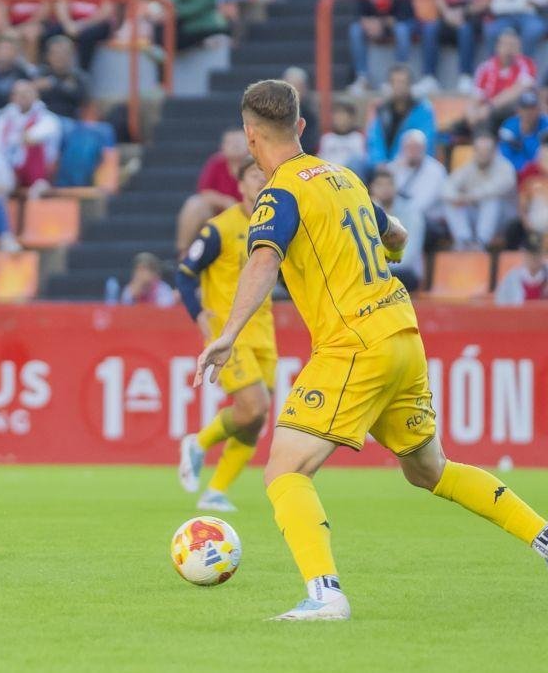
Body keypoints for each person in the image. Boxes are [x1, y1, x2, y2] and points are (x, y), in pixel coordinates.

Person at [195, 79, 548, 621]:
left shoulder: (280, 192)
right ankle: (541, 536)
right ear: (303, 128)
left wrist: (227, 334)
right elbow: (400, 234)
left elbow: (263, 260)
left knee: (284, 471)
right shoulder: (344, 177)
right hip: (403, 335)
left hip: (354, 342)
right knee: (430, 470)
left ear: (249, 137)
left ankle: (324, 593)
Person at [176, 160, 272, 511]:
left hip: (264, 331)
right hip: (229, 335)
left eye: (267, 177)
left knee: (255, 419)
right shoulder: (219, 229)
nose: (261, 182)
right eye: (254, 176)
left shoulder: (275, 229)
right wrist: (198, 313)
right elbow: (186, 273)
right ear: (240, 184)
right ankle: (198, 443)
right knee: (255, 406)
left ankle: (215, 491)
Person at [176, 128, 248, 253]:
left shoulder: (255, 165)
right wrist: (226, 202)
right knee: (194, 204)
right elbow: (204, 192)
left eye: (239, 141)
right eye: (231, 142)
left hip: (249, 217)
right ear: (222, 146)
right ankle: (183, 254)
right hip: (219, 217)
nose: (235, 145)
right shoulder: (216, 163)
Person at [442, 133, 517, 250]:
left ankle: (481, 242)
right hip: (477, 217)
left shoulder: (505, 167)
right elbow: (446, 188)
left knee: (491, 200)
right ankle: (464, 241)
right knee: (451, 202)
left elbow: (494, 189)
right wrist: (457, 197)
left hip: (503, 220)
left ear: (494, 151)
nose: (483, 154)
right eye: (479, 150)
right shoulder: (469, 167)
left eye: (487, 150)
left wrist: (467, 197)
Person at [0, 79, 62, 192]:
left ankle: (38, 187)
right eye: (18, 93)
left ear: (36, 95)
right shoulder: (0, 121)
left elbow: (31, 138)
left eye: (27, 92)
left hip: (38, 170)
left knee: (33, 146)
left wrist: (14, 138)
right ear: (12, 97)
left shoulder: (49, 119)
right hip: (9, 169)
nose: (23, 96)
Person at [365, 65, 436, 167]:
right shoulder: (382, 109)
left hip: (412, 164)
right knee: (356, 162)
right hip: (382, 167)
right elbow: (374, 139)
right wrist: (379, 163)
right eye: (394, 82)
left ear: (410, 85)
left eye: (402, 82)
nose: (398, 86)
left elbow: (425, 141)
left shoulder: (423, 109)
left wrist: (398, 163)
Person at [348, 0, 415, 96]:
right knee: (355, 30)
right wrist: (369, 23)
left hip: (396, 24)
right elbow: (360, 15)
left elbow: (403, 17)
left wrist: (381, 23)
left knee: (402, 30)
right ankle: (363, 78)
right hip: (374, 25)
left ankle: (400, 76)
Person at [497, 90, 548, 171]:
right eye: (525, 108)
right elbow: (504, 157)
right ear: (518, 110)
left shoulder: (545, 124)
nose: (529, 112)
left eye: (532, 108)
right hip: (514, 172)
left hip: (541, 172)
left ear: (539, 110)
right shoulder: (509, 127)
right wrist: (524, 169)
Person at [495, 233, 548, 304]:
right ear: (523, 254)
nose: (533, 257)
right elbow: (500, 306)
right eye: (530, 253)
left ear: (542, 253)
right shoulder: (512, 277)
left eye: (537, 253)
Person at [318, 102, 368, 177]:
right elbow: (322, 159)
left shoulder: (357, 137)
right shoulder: (327, 138)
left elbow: (361, 160)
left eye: (343, 116)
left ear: (351, 118)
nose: (340, 119)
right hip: (330, 175)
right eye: (337, 116)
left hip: (351, 176)